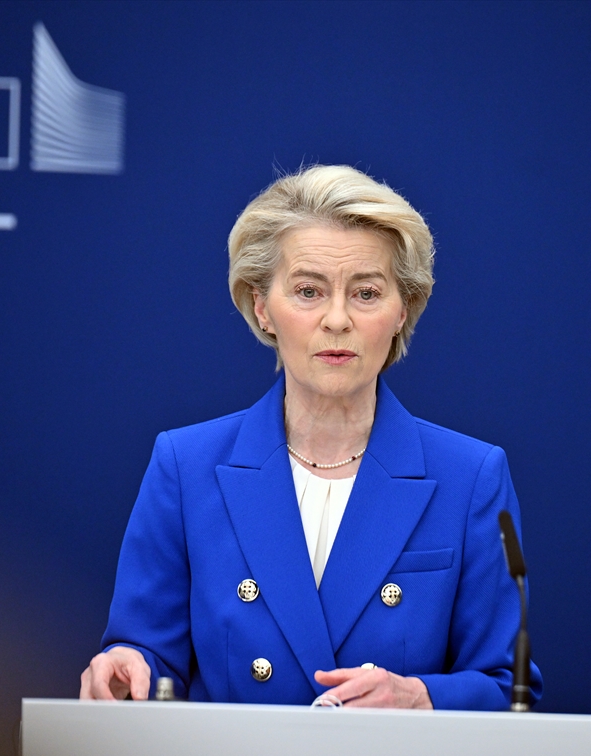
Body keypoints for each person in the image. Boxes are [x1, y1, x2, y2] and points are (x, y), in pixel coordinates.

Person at [81, 165, 542, 710]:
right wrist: (126, 663)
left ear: (403, 310)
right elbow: (148, 658)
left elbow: (506, 687)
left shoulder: (470, 477)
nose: (337, 319)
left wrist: (419, 697)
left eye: (366, 293)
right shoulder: (186, 465)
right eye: (307, 291)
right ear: (262, 307)